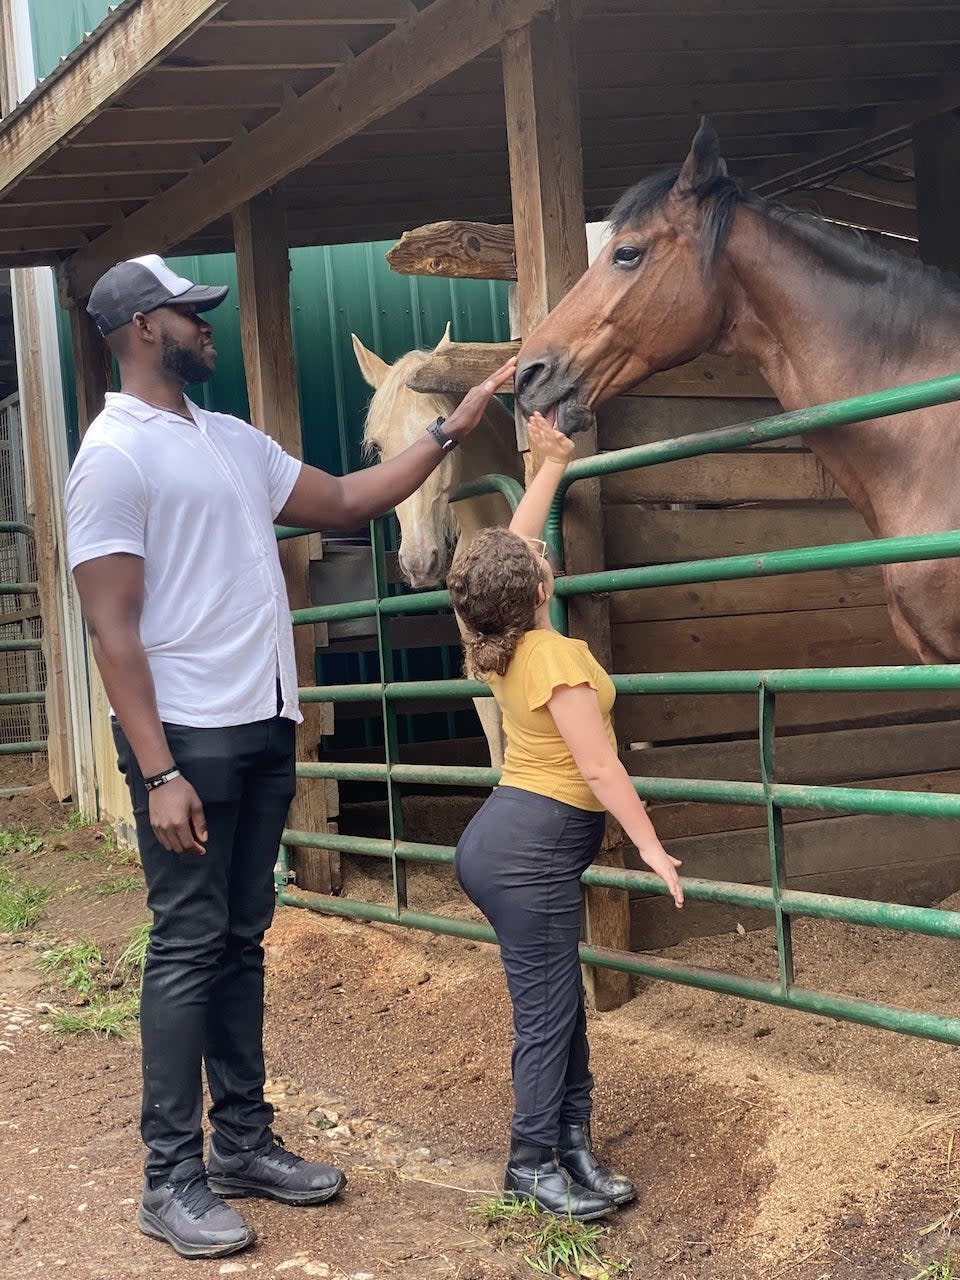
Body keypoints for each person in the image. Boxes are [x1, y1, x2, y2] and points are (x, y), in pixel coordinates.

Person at [63, 253, 516, 1261]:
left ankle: (243, 1142)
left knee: (239, 939)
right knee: (188, 944)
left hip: (263, 724)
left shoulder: (228, 441)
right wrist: (157, 768)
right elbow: (110, 624)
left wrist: (447, 427)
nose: (208, 327)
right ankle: (169, 1176)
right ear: (144, 328)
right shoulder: (112, 454)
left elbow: (351, 499)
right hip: (187, 737)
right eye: (192, 314)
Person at [446, 413, 684, 1222]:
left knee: (556, 1003)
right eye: (541, 560)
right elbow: (599, 766)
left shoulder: (493, 633)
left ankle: (571, 1142)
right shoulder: (553, 656)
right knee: (547, 1013)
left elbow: (505, 554)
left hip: (507, 838)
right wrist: (650, 847)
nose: (539, 551)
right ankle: (527, 1163)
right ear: (541, 591)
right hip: (533, 849)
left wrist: (550, 466)